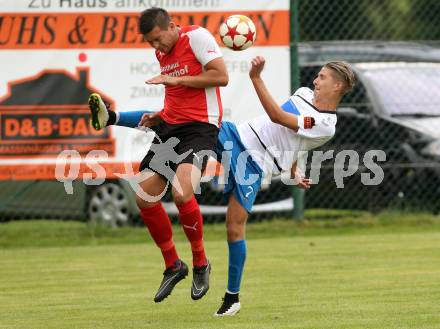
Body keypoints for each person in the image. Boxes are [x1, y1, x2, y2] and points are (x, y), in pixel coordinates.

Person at [89, 56, 355, 315]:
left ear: (338, 86)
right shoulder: (304, 94)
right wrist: (295, 169)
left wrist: (255, 78)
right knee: (183, 120)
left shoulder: (326, 124)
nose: (316, 79)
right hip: (237, 135)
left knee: (234, 229)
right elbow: (294, 139)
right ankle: (111, 117)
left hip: (254, 165)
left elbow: (278, 118)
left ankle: (232, 298)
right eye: (318, 74)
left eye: (323, 76)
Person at [88, 7, 228, 303]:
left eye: (157, 39)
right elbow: (175, 99)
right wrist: (160, 115)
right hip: (171, 129)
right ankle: (173, 265)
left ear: (171, 26)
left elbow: (221, 76)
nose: (155, 46)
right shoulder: (162, 53)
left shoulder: (197, 37)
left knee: (181, 191)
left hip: (201, 128)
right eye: (150, 42)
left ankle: (201, 263)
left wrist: (179, 80)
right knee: (144, 198)